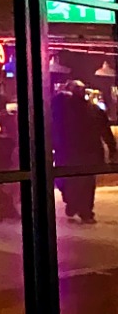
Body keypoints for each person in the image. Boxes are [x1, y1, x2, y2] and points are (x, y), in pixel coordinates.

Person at [51, 79, 116, 223]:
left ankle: (74, 204)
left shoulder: (61, 110)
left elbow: (53, 128)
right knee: (87, 183)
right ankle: (85, 211)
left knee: (67, 180)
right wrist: (112, 149)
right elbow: (106, 131)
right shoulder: (95, 109)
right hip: (90, 152)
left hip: (68, 152)